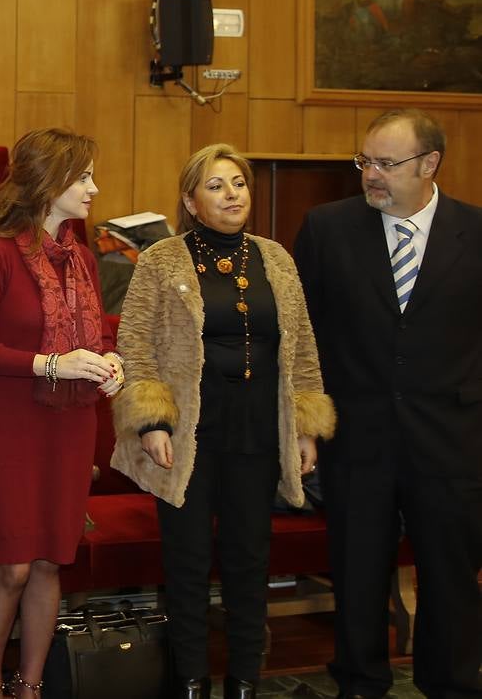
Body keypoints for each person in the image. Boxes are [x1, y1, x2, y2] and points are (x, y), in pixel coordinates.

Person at [112, 143, 335, 699]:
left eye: (238, 182)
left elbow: (303, 344)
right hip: (187, 435)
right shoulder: (162, 260)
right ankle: (189, 682)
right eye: (215, 185)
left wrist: (306, 424)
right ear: (190, 200)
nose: (231, 194)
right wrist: (152, 420)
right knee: (186, 566)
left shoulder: (276, 257)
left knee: (248, 563)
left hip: (259, 430)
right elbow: (135, 343)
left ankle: (243, 683)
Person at [295, 108, 482, 699]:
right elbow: (304, 338)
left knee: (451, 580)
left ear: (430, 164)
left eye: (386, 163)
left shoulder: (476, 233)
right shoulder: (327, 229)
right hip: (358, 438)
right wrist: (307, 422)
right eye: (364, 161)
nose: (371, 175)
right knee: (357, 576)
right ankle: (359, 684)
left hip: (453, 440)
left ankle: (450, 685)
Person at [0, 128, 123, 699]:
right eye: (83, 178)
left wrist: (109, 362)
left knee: (52, 561)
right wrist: (52, 364)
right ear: (48, 183)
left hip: (71, 422)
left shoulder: (82, 256)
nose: (94, 188)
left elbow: (94, 337)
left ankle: (30, 687)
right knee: (14, 566)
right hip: (8, 423)